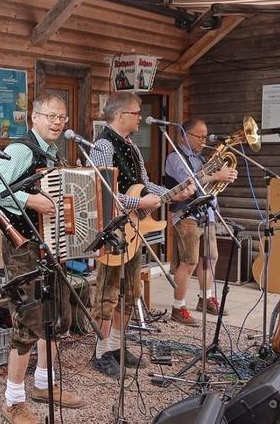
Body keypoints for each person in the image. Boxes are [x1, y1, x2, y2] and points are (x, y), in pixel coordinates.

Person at [0, 92, 84, 424]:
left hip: (50, 244)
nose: (57, 122)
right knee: (28, 320)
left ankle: (44, 383)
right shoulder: (20, 149)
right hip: (22, 247)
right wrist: (31, 201)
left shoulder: (54, 153)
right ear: (34, 118)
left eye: (62, 117)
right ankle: (12, 400)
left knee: (58, 315)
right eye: (51, 116)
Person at [88, 91, 195, 378]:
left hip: (134, 229)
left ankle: (117, 347)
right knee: (108, 291)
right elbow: (101, 189)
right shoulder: (102, 145)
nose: (140, 117)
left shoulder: (132, 147)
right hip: (113, 230)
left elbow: (145, 185)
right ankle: (100, 352)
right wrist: (138, 203)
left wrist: (173, 194)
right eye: (136, 113)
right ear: (121, 114)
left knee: (130, 291)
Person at [164, 118, 237, 326]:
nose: (204, 141)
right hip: (187, 215)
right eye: (200, 136)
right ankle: (178, 307)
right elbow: (189, 182)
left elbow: (208, 184)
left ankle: (205, 299)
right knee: (189, 262)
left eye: (205, 136)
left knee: (210, 258)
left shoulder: (200, 158)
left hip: (208, 213)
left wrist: (225, 176)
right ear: (185, 135)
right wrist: (216, 176)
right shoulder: (175, 158)